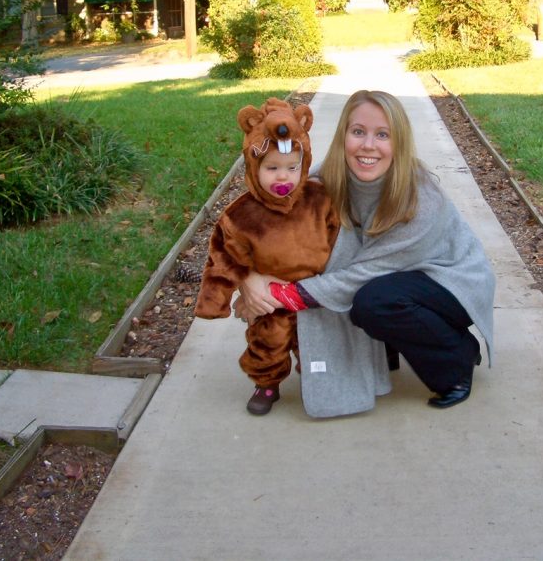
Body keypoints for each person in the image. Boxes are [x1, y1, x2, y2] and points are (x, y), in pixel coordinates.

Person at [236, 90, 495, 417]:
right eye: (358, 132)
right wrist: (247, 277)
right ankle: (389, 346)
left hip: (451, 283)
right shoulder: (326, 180)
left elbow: (363, 275)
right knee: (356, 274)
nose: (368, 145)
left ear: (398, 142)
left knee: (375, 303)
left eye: (382, 134)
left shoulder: (421, 198)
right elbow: (259, 220)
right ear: (343, 135)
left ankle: (456, 360)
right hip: (398, 276)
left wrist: (275, 294)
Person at [195, 98, 339, 415]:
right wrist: (215, 299)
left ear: (304, 164)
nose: (283, 178)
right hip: (270, 300)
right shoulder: (242, 215)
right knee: (267, 344)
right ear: (253, 167)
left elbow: (337, 234)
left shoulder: (319, 200)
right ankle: (267, 383)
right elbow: (224, 258)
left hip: (312, 294)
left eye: (292, 167)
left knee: (315, 343)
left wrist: (333, 278)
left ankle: (317, 380)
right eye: (272, 168)